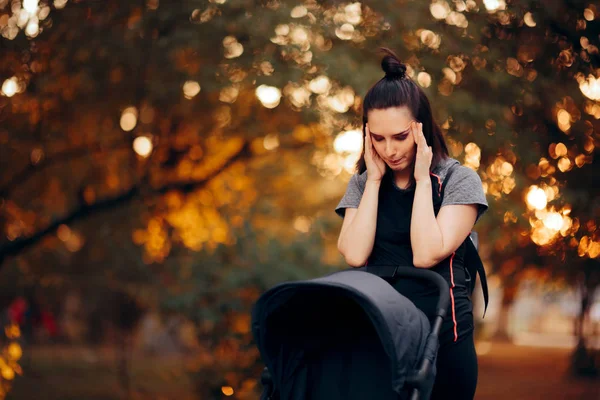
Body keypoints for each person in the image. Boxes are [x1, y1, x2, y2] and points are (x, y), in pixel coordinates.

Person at [335, 48, 488, 400]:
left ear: (422, 128)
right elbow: (355, 255)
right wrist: (372, 181)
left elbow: (426, 253)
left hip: (442, 340)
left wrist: (422, 179)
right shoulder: (362, 183)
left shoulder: (459, 181)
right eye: (378, 138)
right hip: (380, 339)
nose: (389, 150)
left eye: (400, 136)